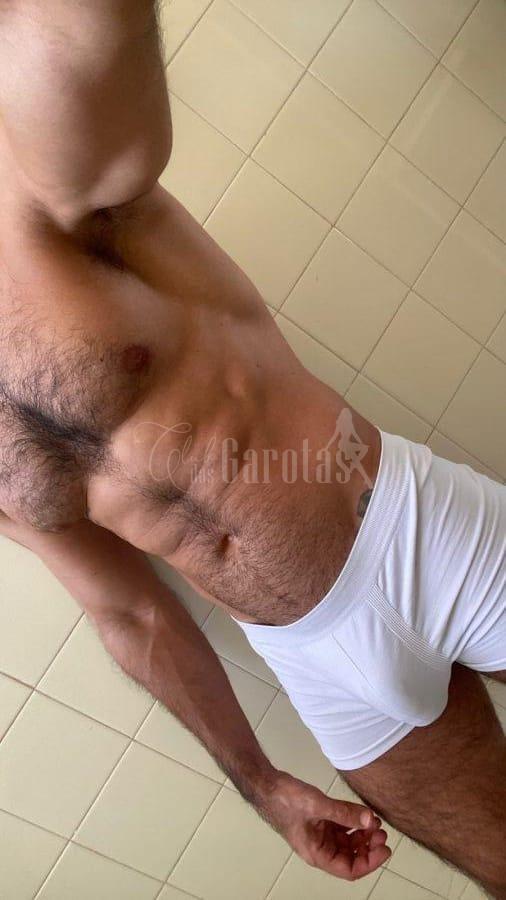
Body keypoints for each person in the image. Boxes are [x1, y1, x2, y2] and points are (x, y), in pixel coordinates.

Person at [0, 2, 504, 894]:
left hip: (416, 536)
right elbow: (128, 612)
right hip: (316, 668)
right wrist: (262, 785)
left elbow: (77, 29)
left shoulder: (29, 179)